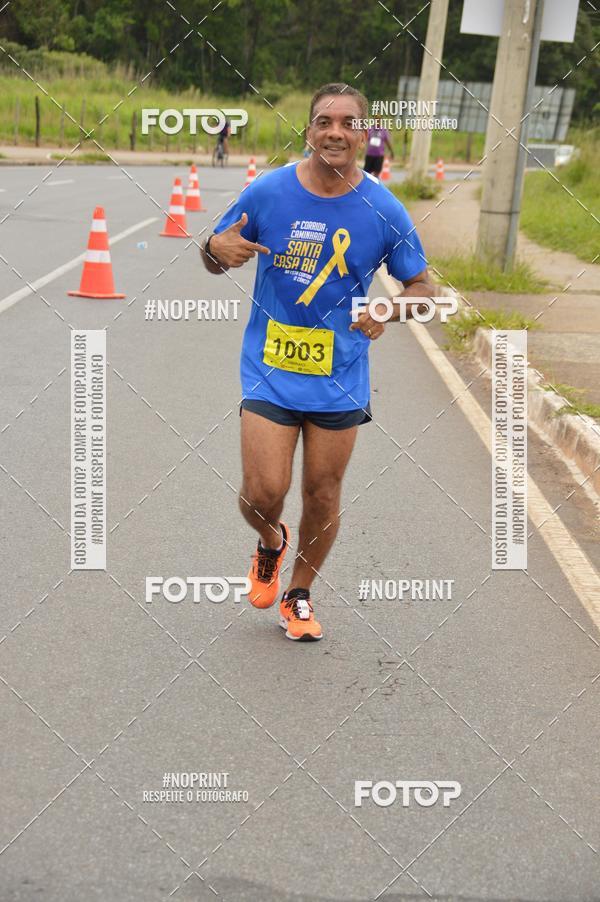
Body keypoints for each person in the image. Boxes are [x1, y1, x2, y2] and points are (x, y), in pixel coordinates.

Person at [200, 83, 433, 642]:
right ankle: (271, 542)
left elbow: (423, 287)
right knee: (263, 492)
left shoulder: (383, 207)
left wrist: (391, 306)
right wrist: (214, 251)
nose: (335, 131)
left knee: (323, 495)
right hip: (270, 368)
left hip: (341, 378)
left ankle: (299, 592)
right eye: (325, 121)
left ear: (364, 133)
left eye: (349, 122)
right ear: (309, 129)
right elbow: (216, 249)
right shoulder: (269, 192)